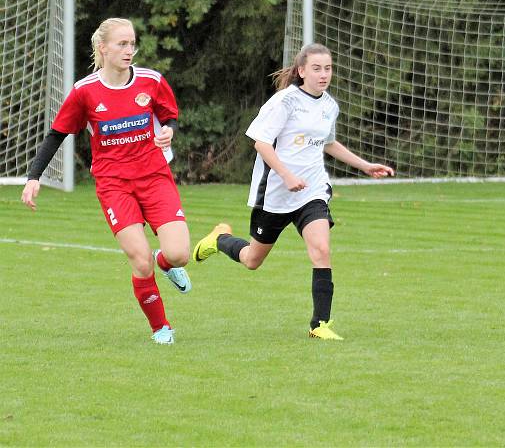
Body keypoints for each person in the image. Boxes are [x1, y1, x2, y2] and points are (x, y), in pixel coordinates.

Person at [192, 43, 394, 340]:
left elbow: (328, 143)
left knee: (322, 250)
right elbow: (260, 142)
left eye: (328, 68)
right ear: (301, 71)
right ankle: (219, 239)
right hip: (275, 193)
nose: (323, 74)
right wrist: (286, 175)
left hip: (311, 190)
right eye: (316, 68)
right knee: (252, 260)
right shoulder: (284, 102)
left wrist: (364, 165)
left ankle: (319, 325)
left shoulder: (329, 105)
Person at [21, 18, 192, 345]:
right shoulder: (84, 92)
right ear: (103, 48)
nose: (130, 50)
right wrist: (33, 177)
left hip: (155, 177)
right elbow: (57, 134)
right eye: (122, 44)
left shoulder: (151, 80)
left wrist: (169, 129)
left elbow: (168, 114)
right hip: (114, 186)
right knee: (140, 261)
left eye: (132, 43)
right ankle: (161, 327)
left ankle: (165, 262)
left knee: (179, 254)